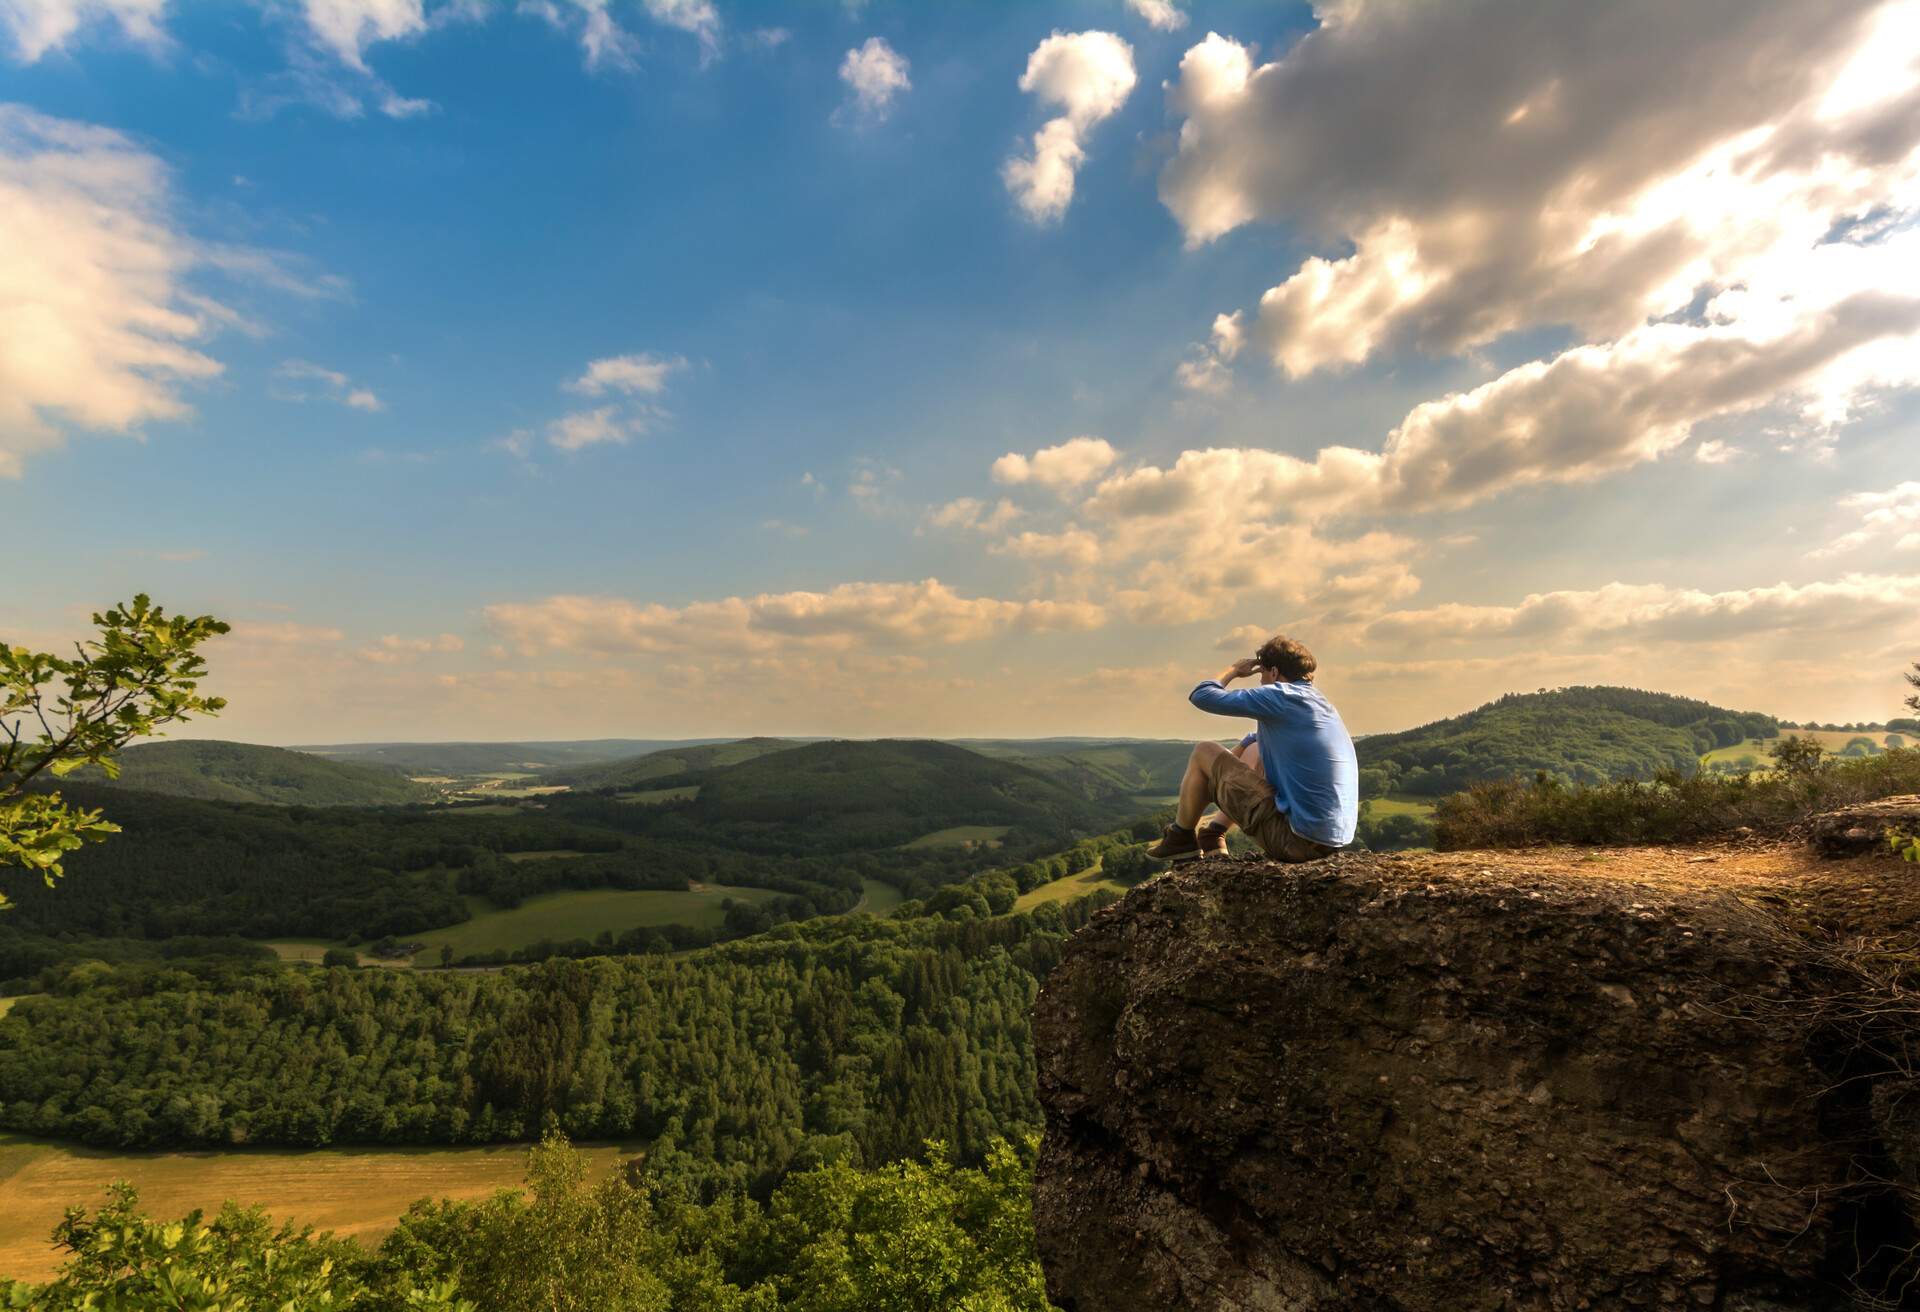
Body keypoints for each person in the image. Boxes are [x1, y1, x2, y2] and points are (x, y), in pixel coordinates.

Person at [1146, 634, 1358, 863]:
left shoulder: (1280, 695)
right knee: (1255, 747)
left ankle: (1181, 839)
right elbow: (1259, 739)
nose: (1260, 682)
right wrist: (1233, 759)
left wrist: (1234, 670)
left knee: (1203, 751)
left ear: (1274, 673)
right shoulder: (1319, 703)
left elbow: (1202, 695)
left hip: (1295, 842)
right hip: (1328, 843)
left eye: (1262, 675)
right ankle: (1213, 832)